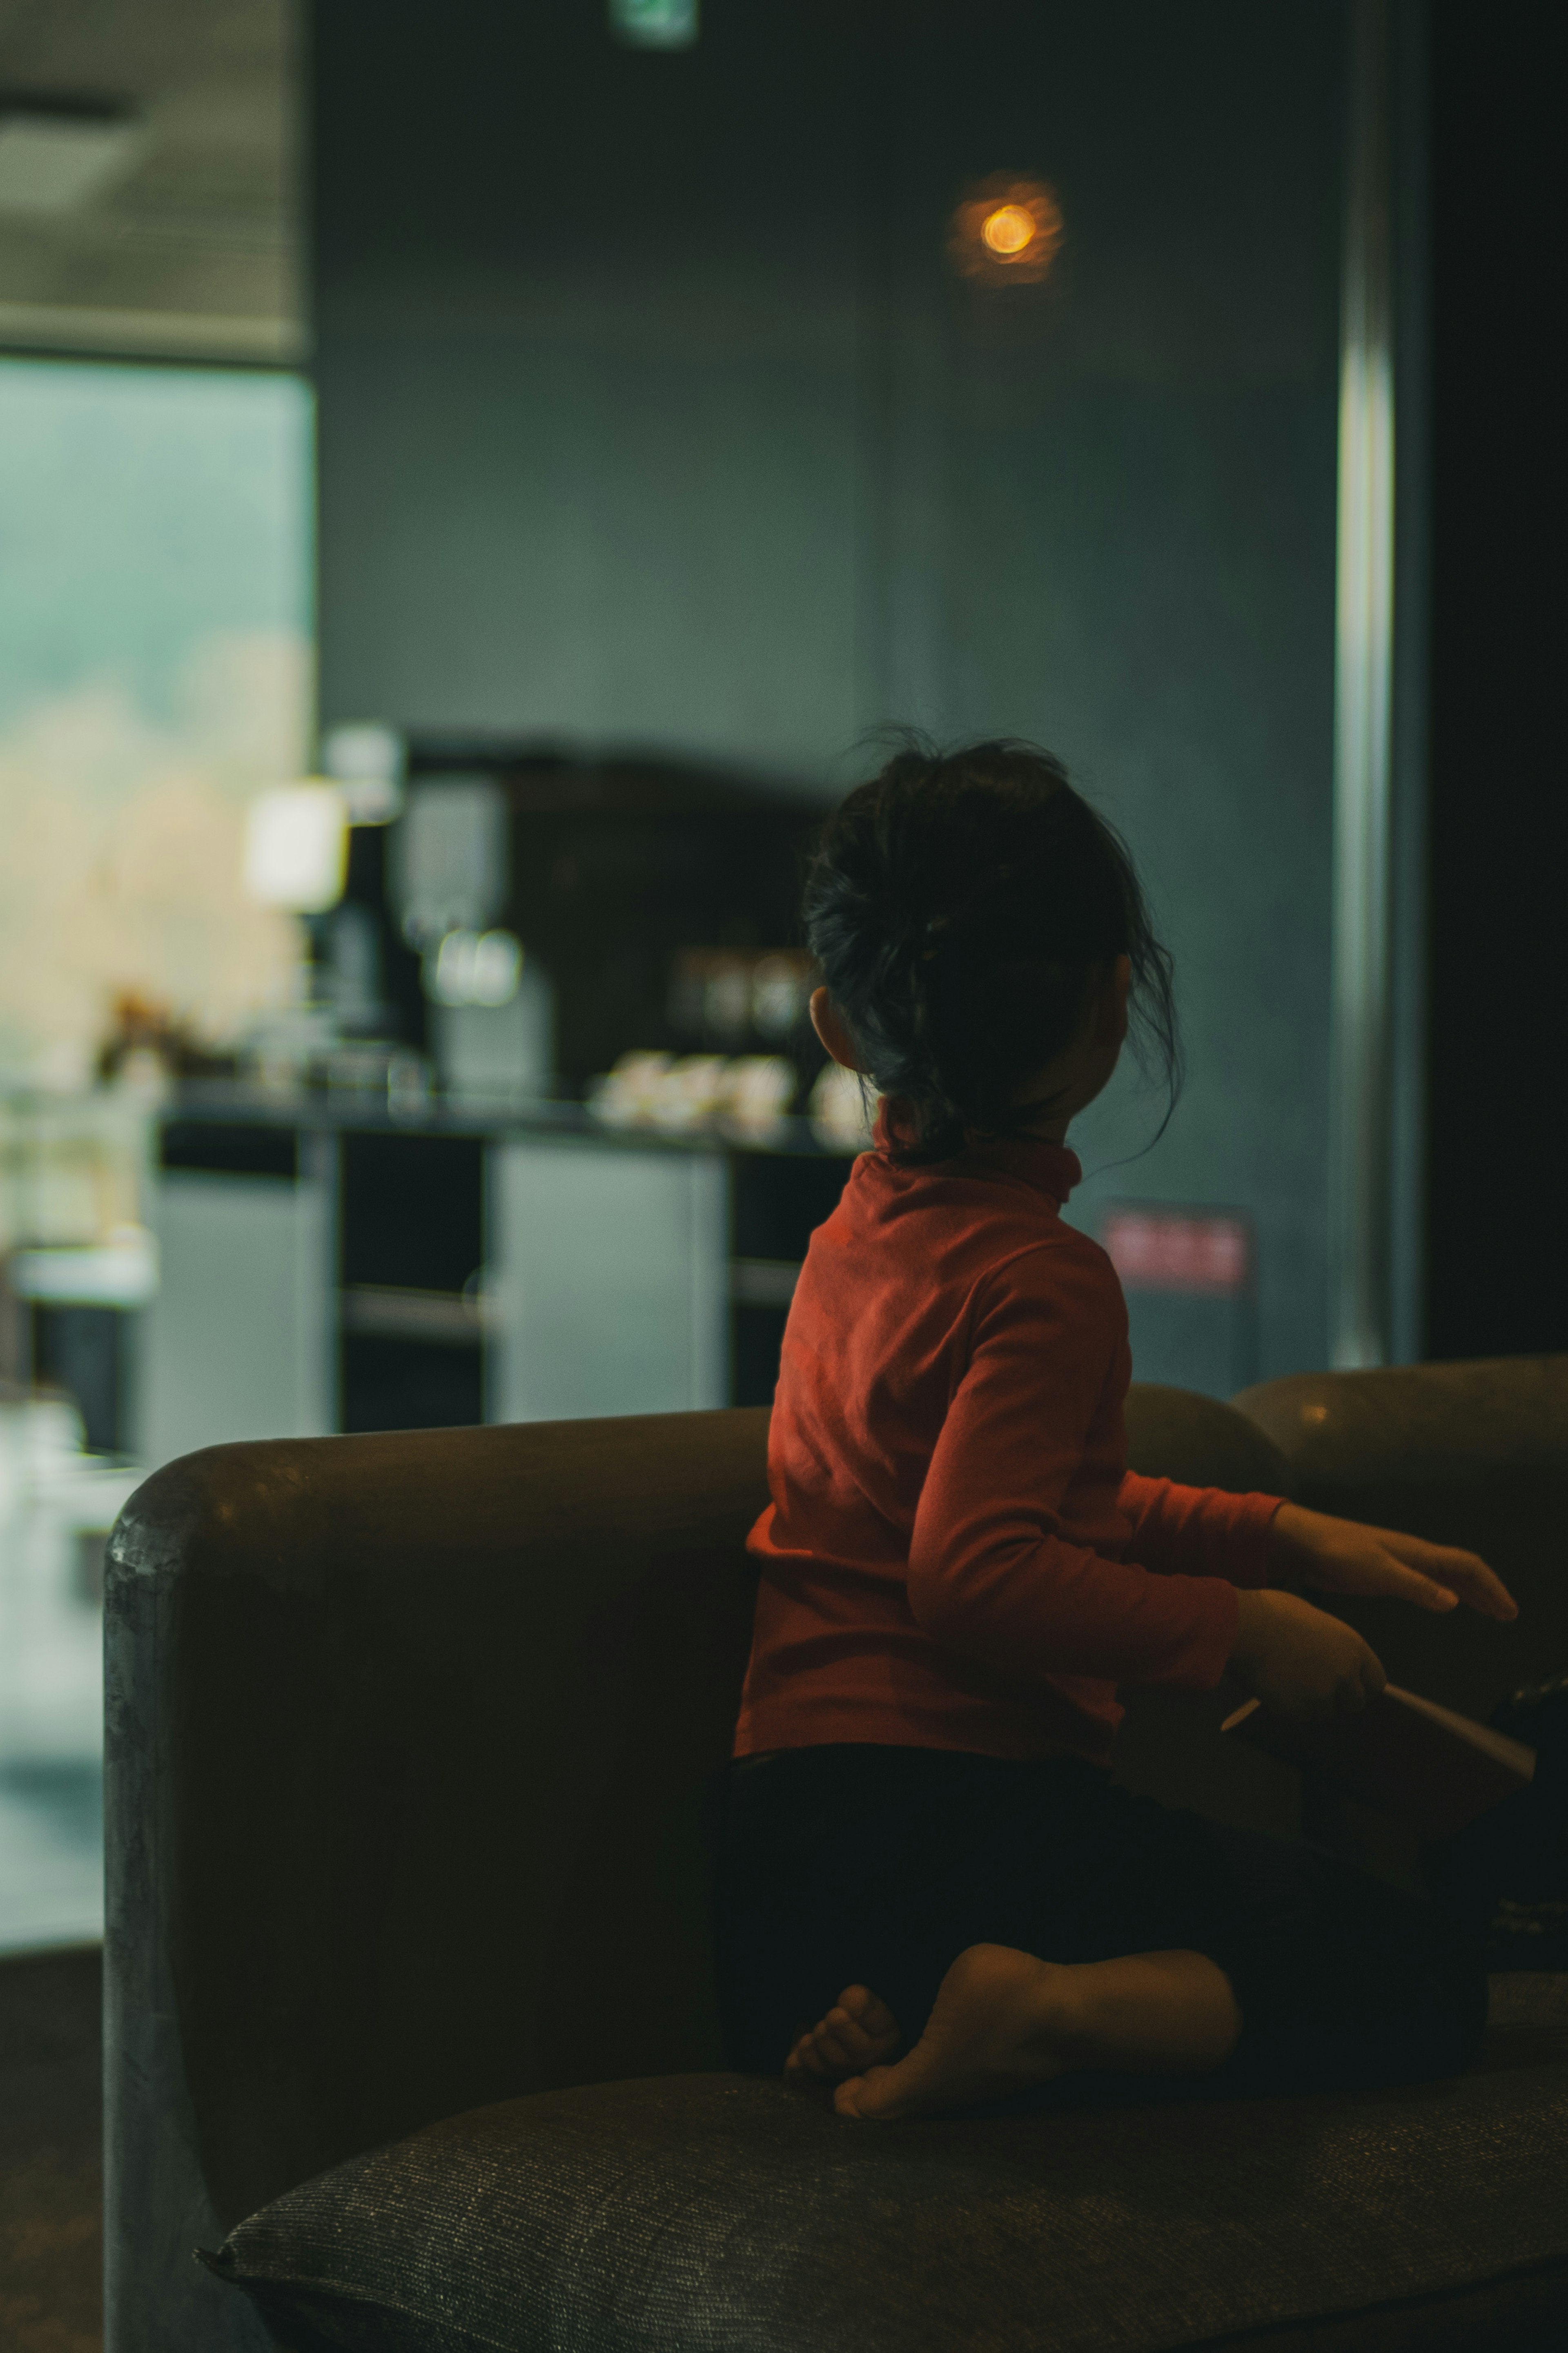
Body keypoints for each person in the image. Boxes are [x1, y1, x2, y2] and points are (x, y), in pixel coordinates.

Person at [715, 738, 1519, 2124]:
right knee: (1422, 1971)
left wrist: (1281, 1536)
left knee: (1016, 1940)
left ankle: (900, 2017)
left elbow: (1018, 1504)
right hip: (958, 1823)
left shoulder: (854, 1238)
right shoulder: (1040, 1275)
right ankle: (1043, 2007)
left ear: (838, 1027)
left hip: (787, 1864)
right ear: (1107, 1006)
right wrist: (1240, 1630)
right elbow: (973, 1569)